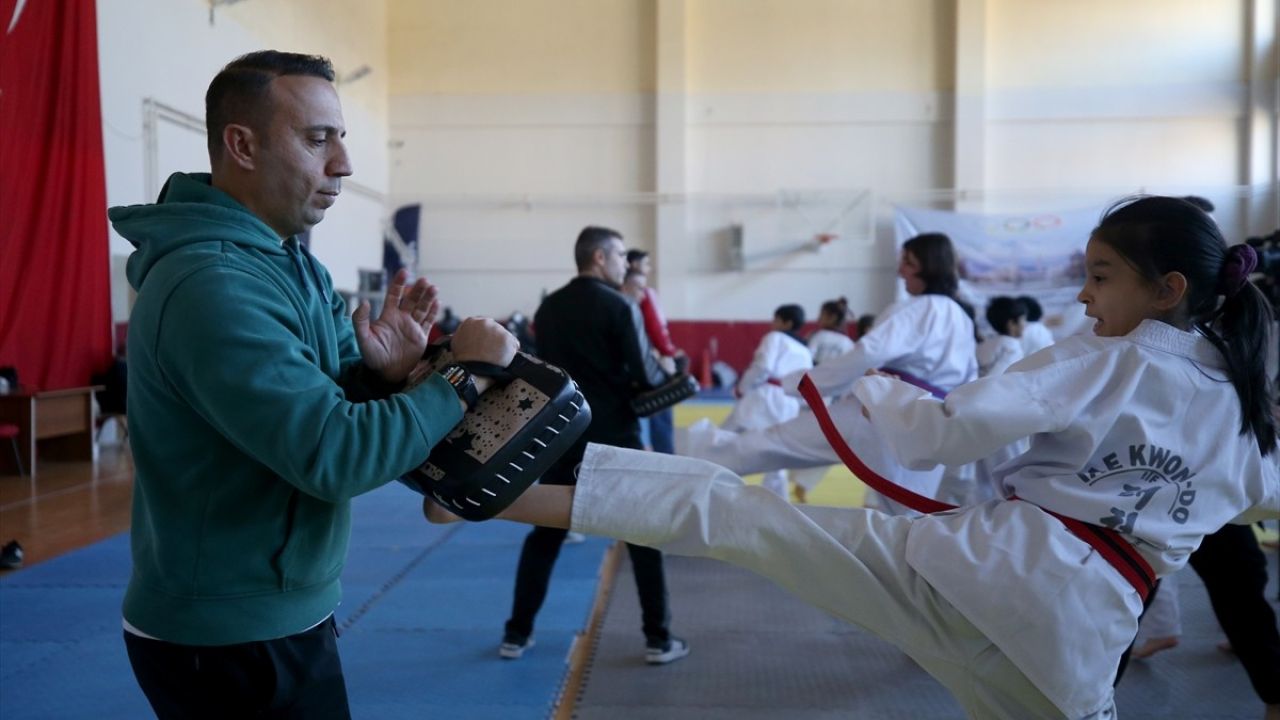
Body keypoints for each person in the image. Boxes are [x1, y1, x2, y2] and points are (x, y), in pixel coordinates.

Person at [430, 196, 1280, 720]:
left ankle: (489, 493)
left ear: (1168, 289)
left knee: (737, 509)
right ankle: (497, 495)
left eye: (1100, 277)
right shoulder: (1246, 406)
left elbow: (944, 432)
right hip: (1086, 628)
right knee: (740, 494)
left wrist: (871, 389)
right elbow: (1231, 506)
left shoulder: (1107, 357)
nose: (1086, 298)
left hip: (987, 572)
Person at [109, 51, 518, 720]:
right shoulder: (211, 285)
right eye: (317, 138)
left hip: (278, 611)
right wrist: (463, 376)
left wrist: (379, 376)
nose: (344, 165)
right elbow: (333, 456)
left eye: (341, 138)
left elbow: (329, 409)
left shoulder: (295, 267)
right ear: (241, 144)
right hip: (225, 632)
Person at [500, 226, 689, 665]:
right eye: (622, 255)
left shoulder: (548, 308)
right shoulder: (619, 305)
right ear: (600, 258)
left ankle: (516, 633)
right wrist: (675, 372)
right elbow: (645, 375)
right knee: (642, 535)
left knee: (546, 535)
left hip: (561, 434)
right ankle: (658, 639)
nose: (628, 264)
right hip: (616, 435)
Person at [685, 232, 977, 515]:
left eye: (909, 263)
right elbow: (969, 378)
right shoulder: (961, 317)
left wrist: (805, 382)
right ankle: (917, 559)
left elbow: (868, 353)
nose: (900, 271)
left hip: (878, 416)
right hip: (926, 425)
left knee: (774, 442)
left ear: (930, 267)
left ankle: (692, 459)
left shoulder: (919, 308)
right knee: (911, 509)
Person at [722, 304, 813, 498]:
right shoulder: (805, 351)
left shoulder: (775, 338)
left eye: (776, 320)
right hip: (790, 402)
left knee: (728, 434)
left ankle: (717, 481)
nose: (773, 324)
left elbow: (762, 366)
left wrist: (742, 388)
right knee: (777, 452)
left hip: (766, 394)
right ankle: (777, 500)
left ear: (786, 323)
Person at [791, 298, 855, 502]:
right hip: (830, 402)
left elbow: (804, 362)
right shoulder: (849, 344)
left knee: (796, 439)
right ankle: (803, 481)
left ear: (830, 317)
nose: (818, 319)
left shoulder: (815, 337)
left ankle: (796, 479)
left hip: (806, 396)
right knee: (828, 446)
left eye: (822, 314)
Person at [626, 249, 683, 455]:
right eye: (646, 264)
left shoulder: (632, 299)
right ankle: (661, 453)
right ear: (633, 266)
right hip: (649, 361)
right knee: (655, 412)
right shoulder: (638, 299)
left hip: (648, 359)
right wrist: (669, 352)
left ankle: (658, 452)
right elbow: (656, 327)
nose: (649, 269)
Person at [977, 296, 1027, 378]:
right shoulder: (1012, 349)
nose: (1025, 325)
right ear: (1011, 324)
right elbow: (996, 380)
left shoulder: (985, 343)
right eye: (1023, 320)